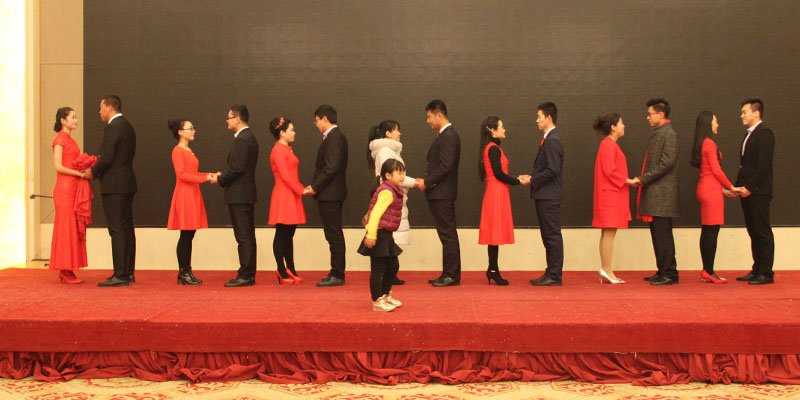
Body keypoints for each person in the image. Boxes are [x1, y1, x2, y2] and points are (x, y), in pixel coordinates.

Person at [87, 95, 138, 287]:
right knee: (127, 228)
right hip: (127, 183)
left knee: (116, 229)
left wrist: (92, 172)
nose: (99, 111)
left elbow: (107, 157)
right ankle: (128, 271)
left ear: (109, 107)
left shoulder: (112, 127)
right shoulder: (128, 126)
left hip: (114, 186)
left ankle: (120, 274)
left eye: (101, 107)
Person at [630, 98, 680, 286]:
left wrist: (643, 179)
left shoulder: (669, 134)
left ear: (661, 114)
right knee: (658, 235)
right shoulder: (659, 133)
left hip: (663, 194)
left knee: (663, 235)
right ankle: (662, 270)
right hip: (656, 194)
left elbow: (667, 163)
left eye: (650, 114)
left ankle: (670, 273)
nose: (647, 117)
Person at [210, 105, 259, 287]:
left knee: (243, 236)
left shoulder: (242, 139)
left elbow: (237, 168)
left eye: (229, 117)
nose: (227, 121)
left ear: (238, 119)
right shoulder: (249, 137)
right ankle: (249, 273)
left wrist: (219, 179)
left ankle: (245, 274)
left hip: (239, 194)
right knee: (248, 235)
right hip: (245, 193)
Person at [367, 120, 419, 285]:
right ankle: (384, 281)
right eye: (397, 130)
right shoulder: (385, 152)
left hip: (395, 198)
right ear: (388, 133)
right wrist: (416, 182)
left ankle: (388, 277)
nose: (400, 133)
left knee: (390, 242)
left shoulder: (389, 151)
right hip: (390, 200)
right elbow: (394, 176)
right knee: (387, 241)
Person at [417, 99, 461, 287]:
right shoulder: (446, 135)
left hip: (442, 193)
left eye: (429, 117)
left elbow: (445, 167)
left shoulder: (449, 136)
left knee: (447, 234)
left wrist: (427, 182)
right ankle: (448, 273)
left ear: (439, 115)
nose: (428, 121)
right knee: (446, 234)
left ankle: (451, 275)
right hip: (440, 192)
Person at [690, 111, 736, 284]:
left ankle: (707, 269)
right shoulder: (709, 143)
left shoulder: (703, 143)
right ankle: (708, 270)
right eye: (715, 121)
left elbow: (708, 172)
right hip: (710, 191)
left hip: (707, 189)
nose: (717, 124)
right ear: (708, 124)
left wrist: (723, 190)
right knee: (711, 231)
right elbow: (716, 170)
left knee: (708, 229)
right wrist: (731, 186)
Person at [733, 98, 775, 285]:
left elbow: (762, 166)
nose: (742, 115)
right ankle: (757, 268)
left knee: (762, 231)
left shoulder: (765, 133)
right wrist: (738, 186)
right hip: (747, 191)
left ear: (756, 113)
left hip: (759, 192)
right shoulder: (748, 135)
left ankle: (766, 272)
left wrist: (750, 187)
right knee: (753, 231)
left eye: (745, 112)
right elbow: (745, 166)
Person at [478, 116, 524, 286]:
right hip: (496, 192)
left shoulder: (491, 148)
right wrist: (517, 181)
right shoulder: (493, 149)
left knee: (494, 233)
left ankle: (492, 269)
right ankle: (493, 269)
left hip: (496, 191)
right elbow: (498, 174)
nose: (504, 129)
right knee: (494, 232)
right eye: (501, 126)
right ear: (493, 130)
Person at [306, 104, 349, 287]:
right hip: (331, 193)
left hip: (330, 193)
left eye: (317, 121)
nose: (316, 124)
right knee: (333, 234)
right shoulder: (334, 137)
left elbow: (331, 167)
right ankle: (335, 271)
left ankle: (338, 274)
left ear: (324, 118)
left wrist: (315, 186)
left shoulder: (334, 137)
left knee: (334, 234)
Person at [523, 102, 564, 286]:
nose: (537, 120)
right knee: (548, 235)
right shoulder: (550, 139)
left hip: (549, 195)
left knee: (552, 235)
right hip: (545, 194)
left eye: (539, 116)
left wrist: (533, 180)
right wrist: (533, 178)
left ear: (549, 117)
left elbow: (552, 170)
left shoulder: (553, 140)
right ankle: (551, 271)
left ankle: (554, 275)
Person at [591, 113, 636, 284]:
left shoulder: (609, 144)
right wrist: (628, 181)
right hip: (610, 196)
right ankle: (607, 269)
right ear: (613, 127)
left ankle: (606, 269)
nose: (624, 126)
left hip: (610, 195)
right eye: (621, 123)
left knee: (608, 232)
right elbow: (610, 171)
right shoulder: (609, 145)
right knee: (609, 232)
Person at [166, 118, 211, 285]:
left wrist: (209, 175)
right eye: (189, 129)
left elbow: (192, 173)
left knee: (189, 233)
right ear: (180, 132)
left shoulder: (189, 150)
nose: (193, 131)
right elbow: (182, 174)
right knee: (186, 234)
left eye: (193, 128)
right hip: (185, 194)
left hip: (192, 193)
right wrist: (205, 178)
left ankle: (186, 271)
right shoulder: (177, 151)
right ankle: (183, 272)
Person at [50, 107, 92, 284]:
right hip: (65, 189)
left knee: (72, 228)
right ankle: (64, 269)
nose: (76, 120)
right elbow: (58, 166)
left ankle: (69, 268)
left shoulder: (71, 140)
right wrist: (78, 173)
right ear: (63, 120)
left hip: (74, 188)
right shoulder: (59, 139)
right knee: (65, 228)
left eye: (75, 117)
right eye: (72, 117)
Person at [358, 159, 407, 312]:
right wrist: (371, 235)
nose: (402, 176)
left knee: (393, 266)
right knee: (378, 269)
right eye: (399, 173)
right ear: (388, 175)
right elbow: (375, 214)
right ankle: (377, 300)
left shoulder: (394, 190)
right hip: (378, 234)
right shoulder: (387, 192)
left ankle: (385, 295)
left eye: (403, 173)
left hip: (386, 234)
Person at [268, 117, 306, 285]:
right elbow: (284, 176)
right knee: (282, 233)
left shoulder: (286, 149)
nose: (294, 132)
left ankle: (290, 267)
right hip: (284, 195)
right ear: (282, 133)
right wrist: (302, 189)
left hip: (291, 193)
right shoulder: (278, 150)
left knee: (289, 233)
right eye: (291, 130)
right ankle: (281, 269)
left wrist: (300, 189)